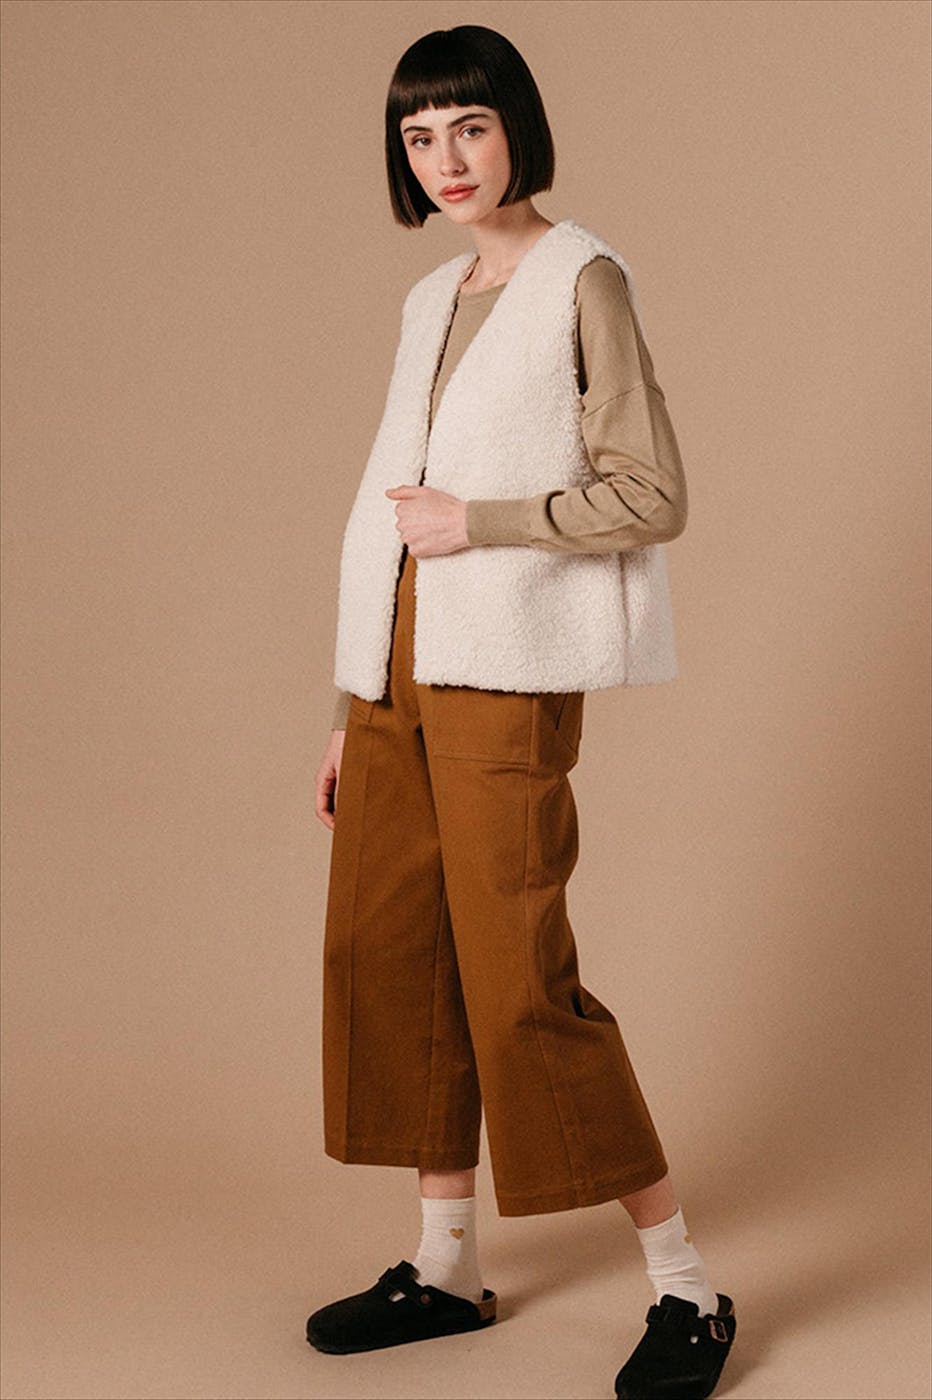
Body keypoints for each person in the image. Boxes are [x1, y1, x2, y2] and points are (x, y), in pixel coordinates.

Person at [306, 24, 736, 1400]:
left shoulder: (581, 278)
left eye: (470, 127)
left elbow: (650, 493)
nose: (446, 159)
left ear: (516, 131)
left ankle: (687, 1286)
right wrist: (353, 699)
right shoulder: (431, 297)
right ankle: (444, 1266)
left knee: (516, 981)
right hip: (397, 675)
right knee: (392, 953)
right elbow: (388, 506)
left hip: (503, 672)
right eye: (419, 136)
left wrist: (478, 522)